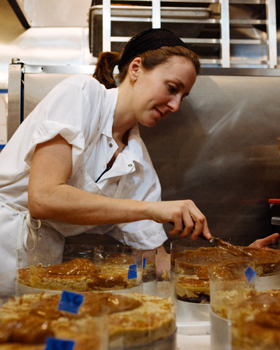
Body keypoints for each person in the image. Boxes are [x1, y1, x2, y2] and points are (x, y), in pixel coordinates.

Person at [0, 28, 277, 298]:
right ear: (135, 69)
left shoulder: (138, 165)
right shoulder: (81, 94)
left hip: (39, 268)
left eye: (183, 96)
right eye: (171, 88)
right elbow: (43, 197)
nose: (175, 105)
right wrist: (151, 209)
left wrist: (241, 259)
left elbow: (158, 261)